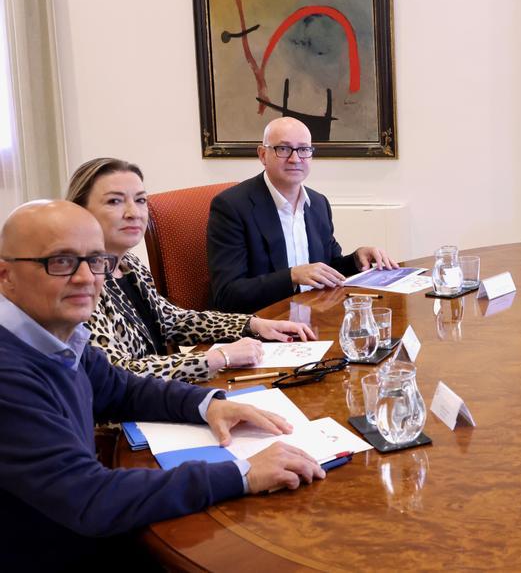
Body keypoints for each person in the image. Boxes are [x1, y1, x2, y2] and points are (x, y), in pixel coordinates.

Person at [0, 200, 327, 567]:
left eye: (96, 260)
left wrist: (209, 405)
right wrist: (242, 473)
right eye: (60, 261)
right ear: (4, 275)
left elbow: (123, 389)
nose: (85, 278)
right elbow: (91, 498)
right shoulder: (9, 375)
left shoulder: (58, 335)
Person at [67, 158, 316, 382]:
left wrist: (253, 325)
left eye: (140, 200)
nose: (134, 213)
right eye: (115, 201)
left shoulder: (128, 264)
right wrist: (217, 358)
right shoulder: (77, 281)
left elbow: (172, 321)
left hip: (161, 398)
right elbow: (116, 374)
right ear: (80, 210)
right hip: (122, 423)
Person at [208, 117, 397, 313]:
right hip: (264, 325)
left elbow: (328, 268)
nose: (295, 159)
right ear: (263, 154)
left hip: (313, 316)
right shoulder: (231, 207)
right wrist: (292, 276)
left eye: (304, 149)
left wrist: (356, 259)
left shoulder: (317, 203)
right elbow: (227, 295)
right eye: (283, 149)